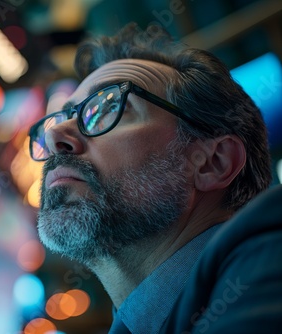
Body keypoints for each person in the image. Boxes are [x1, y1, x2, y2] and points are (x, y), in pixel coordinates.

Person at [28, 22, 280, 333]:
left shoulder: (268, 261)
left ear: (212, 163)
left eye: (108, 107)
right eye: (61, 117)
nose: (54, 137)